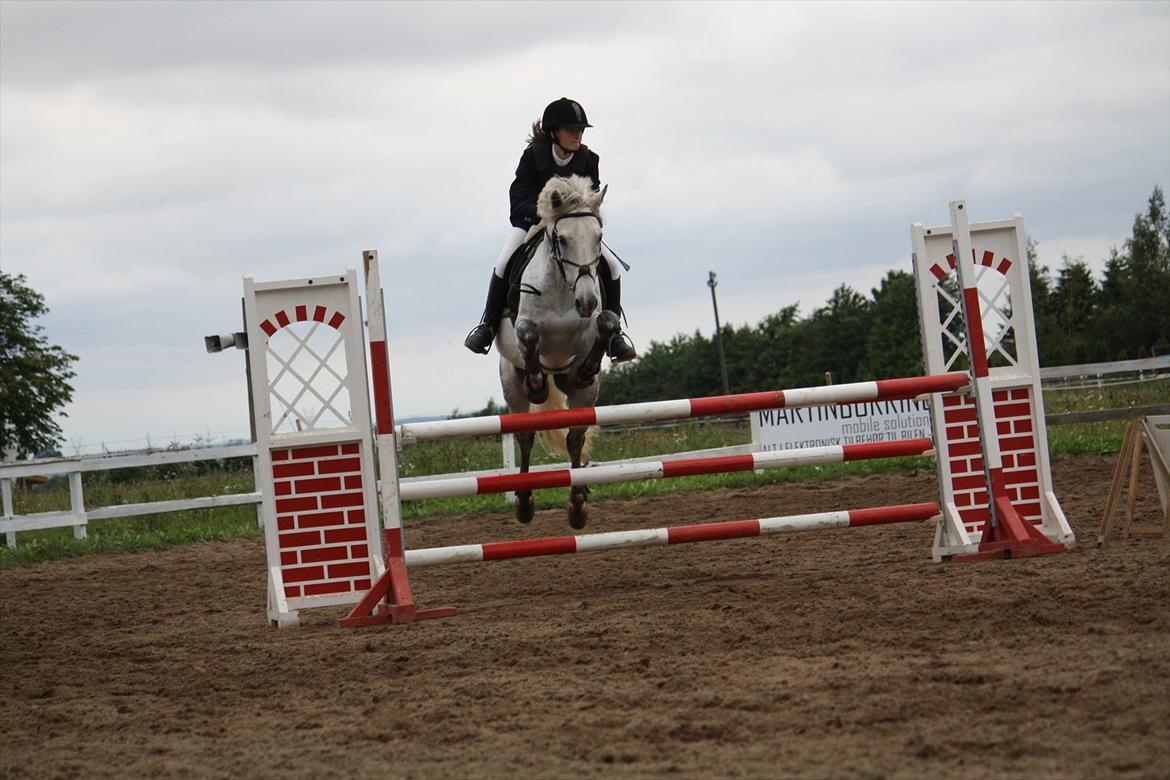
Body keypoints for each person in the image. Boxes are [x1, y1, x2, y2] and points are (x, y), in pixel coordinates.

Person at [464, 97, 636, 362]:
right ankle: (487, 326)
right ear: (554, 133)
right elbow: (517, 198)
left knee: (612, 266)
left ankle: (614, 335)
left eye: (580, 130)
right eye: (571, 130)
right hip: (534, 224)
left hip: (575, 230)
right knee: (504, 261)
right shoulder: (533, 157)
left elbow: (590, 200)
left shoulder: (588, 159)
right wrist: (539, 212)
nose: (577, 135)